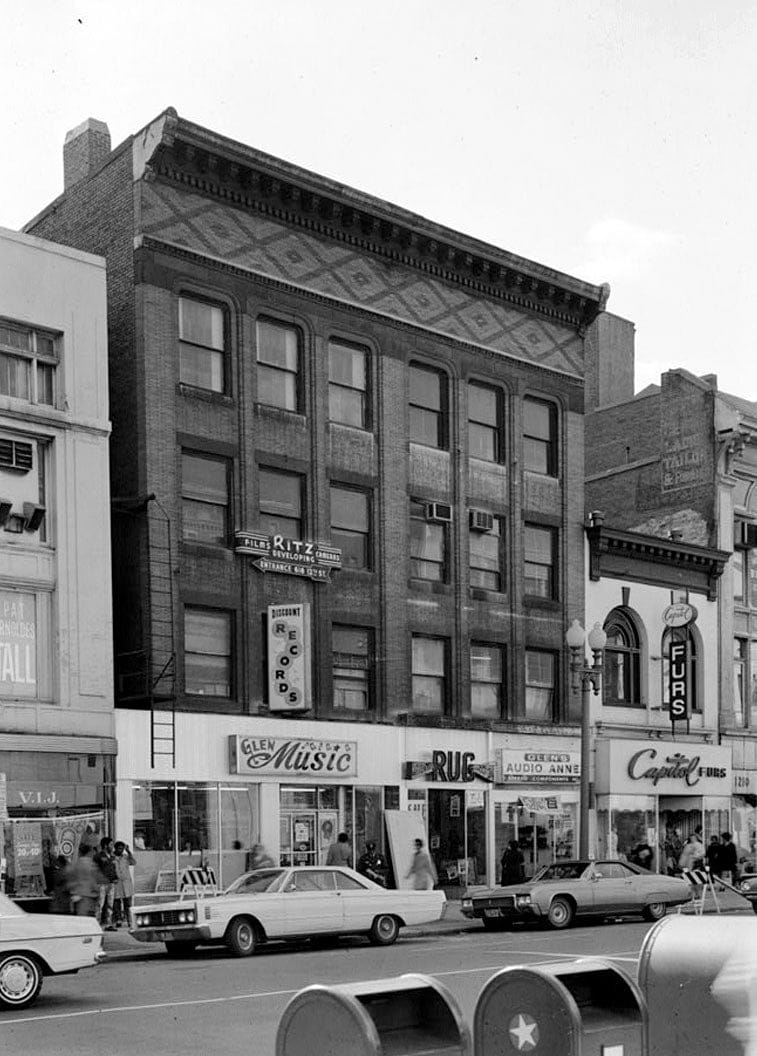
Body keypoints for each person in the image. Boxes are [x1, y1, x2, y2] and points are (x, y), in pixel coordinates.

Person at [66, 844, 100, 917]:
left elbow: (69, 878)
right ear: (89, 852)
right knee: (88, 918)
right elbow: (93, 879)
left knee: (80, 918)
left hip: (76, 894)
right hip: (88, 895)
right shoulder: (91, 864)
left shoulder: (74, 864)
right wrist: (97, 890)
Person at [94, 836, 117, 929]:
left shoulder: (112, 857)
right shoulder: (98, 856)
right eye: (111, 844)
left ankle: (108, 923)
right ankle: (96, 923)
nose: (112, 846)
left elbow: (113, 869)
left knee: (110, 904)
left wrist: (115, 877)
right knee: (100, 904)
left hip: (111, 883)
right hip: (101, 884)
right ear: (105, 845)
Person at [112, 841, 136, 927]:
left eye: (122, 849)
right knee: (117, 903)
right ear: (115, 848)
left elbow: (133, 862)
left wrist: (129, 851)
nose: (121, 850)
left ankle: (129, 920)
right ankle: (118, 920)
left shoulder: (125, 857)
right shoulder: (112, 857)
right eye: (119, 848)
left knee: (128, 904)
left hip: (126, 883)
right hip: (117, 883)